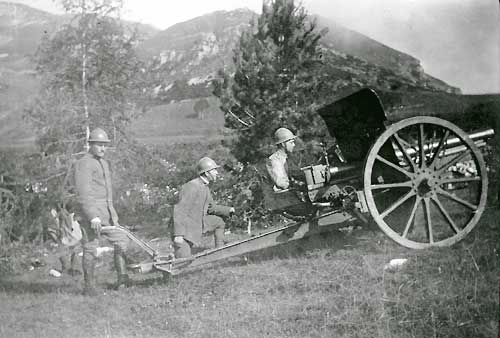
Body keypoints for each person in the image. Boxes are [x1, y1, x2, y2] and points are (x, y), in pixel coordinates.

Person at [75, 127, 131, 295]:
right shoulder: (83, 163)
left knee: (122, 239)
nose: (102, 148)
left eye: (105, 145)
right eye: (99, 145)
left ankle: (123, 279)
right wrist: (93, 217)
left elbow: (106, 194)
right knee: (90, 248)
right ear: (90, 145)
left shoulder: (104, 163)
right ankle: (89, 287)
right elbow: (84, 193)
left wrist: (112, 215)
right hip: (91, 215)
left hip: (107, 213)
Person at [172, 157, 235, 259]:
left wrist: (229, 210)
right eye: (214, 170)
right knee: (183, 264)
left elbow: (211, 207)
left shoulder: (204, 187)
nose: (217, 173)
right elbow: (180, 210)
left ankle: (220, 253)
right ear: (206, 173)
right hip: (186, 231)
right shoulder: (192, 186)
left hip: (198, 223)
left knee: (219, 221)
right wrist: (178, 235)